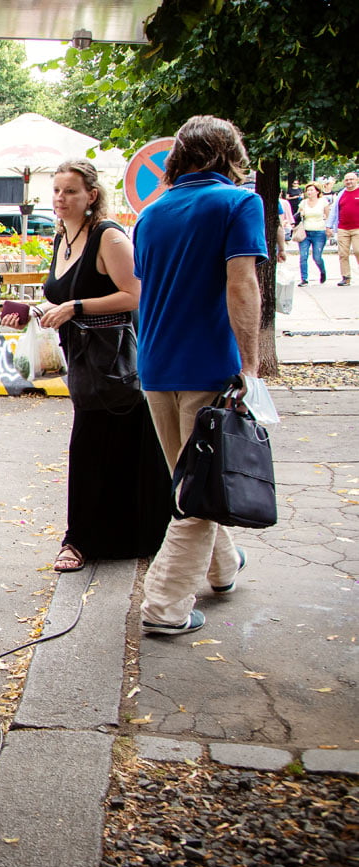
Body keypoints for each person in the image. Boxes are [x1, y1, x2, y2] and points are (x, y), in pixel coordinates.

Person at [1, 159, 170, 571]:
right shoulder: (65, 237)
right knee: (99, 449)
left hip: (116, 364)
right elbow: (66, 297)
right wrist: (36, 311)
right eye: (56, 190)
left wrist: (75, 307)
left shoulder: (107, 237)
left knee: (101, 449)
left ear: (91, 196)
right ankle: (104, 539)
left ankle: (81, 541)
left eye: (70, 191)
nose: (60, 198)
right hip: (83, 363)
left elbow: (136, 294)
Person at [133, 115, 265, 637]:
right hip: (209, 364)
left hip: (157, 365)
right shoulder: (237, 203)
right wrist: (250, 367)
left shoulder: (151, 214)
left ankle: (223, 568)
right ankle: (164, 607)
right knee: (197, 492)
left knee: (191, 481)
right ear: (227, 155)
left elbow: (150, 292)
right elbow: (243, 285)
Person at [326, 171, 359, 286]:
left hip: (357, 228)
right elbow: (334, 211)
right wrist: (328, 226)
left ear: (356, 180)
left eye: (351, 179)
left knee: (357, 250)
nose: (349, 181)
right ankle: (346, 277)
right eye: (347, 180)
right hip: (343, 228)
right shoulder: (341, 194)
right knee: (343, 253)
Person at [295, 182, 329, 286]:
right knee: (303, 256)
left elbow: (327, 216)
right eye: (308, 190)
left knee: (317, 257)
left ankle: (322, 271)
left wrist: (328, 229)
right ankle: (304, 279)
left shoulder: (323, 202)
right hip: (305, 232)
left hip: (319, 231)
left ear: (317, 191)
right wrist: (301, 214)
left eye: (312, 190)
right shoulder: (303, 203)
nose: (309, 192)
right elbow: (297, 216)